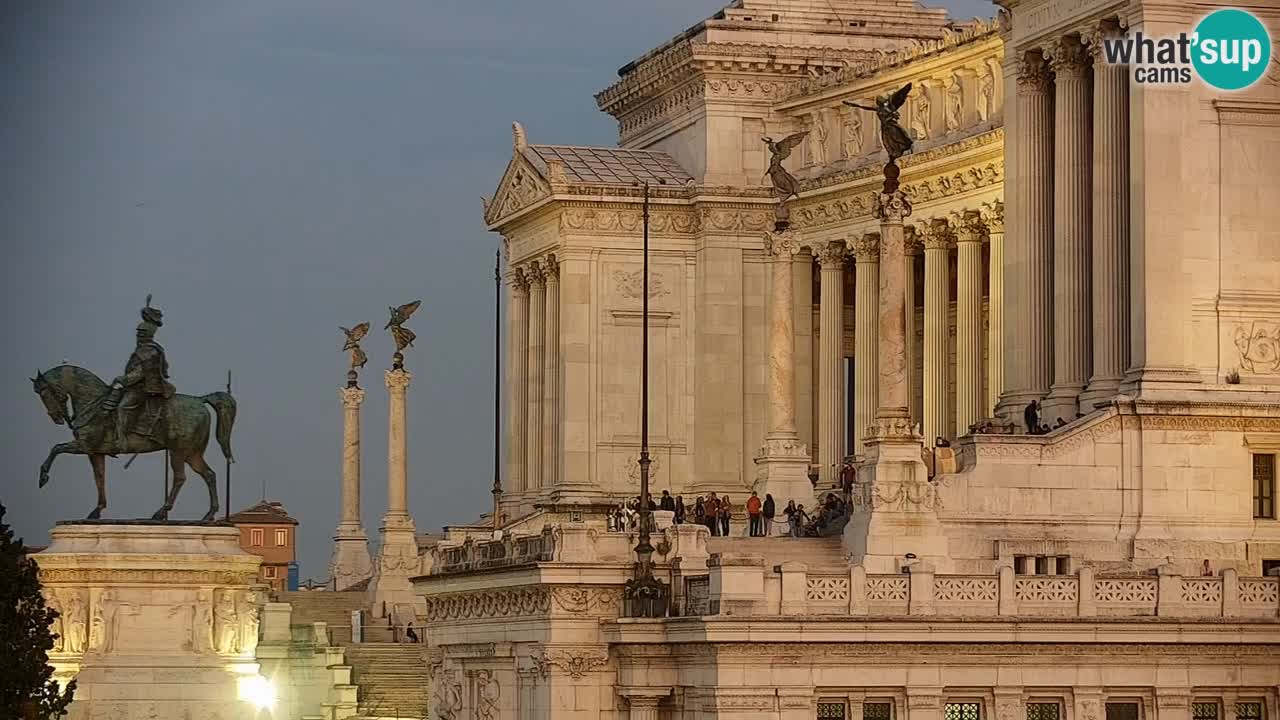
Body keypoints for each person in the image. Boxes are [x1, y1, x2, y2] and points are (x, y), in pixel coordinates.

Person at [103, 297, 173, 451]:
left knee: (123, 407)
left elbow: (139, 373)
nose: (138, 337)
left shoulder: (149, 350)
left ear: (146, 335)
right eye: (138, 334)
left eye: (140, 334)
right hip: (134, 386)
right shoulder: (144, 349)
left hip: (144, 388)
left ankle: (120, 440)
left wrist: (123, 379)